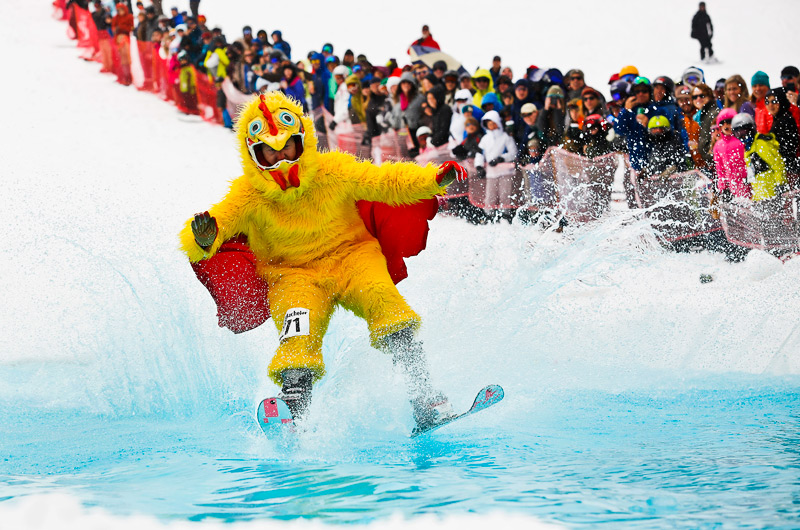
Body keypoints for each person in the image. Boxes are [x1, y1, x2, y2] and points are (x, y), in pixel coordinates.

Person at [181, 91, 469, 429]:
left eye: (287, 145)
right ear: (253, 154)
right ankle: (293, 406)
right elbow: (218, 223)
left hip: (352, 256)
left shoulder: (333, 171)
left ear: (302, 139)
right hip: (293, 275)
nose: (281, 156)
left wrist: (431, 180)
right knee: (297, 329)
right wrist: (203, 237)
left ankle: (424, 395)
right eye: (269, 151)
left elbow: (384, 182)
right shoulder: (249, 193)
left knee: (386, 303)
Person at [474, 110, 518, 221]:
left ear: (498, 122)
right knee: (490, 195)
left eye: (493, 122)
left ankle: (505, 215)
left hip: (505, 171)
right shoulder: (485, 139)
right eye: (489, 123)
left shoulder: (506, 137)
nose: (491, 125)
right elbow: (479, 153)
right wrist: (479, 167)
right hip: (491, 172)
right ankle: (488, 215)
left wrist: (501, 158)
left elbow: (513, 152)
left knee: (505, 194)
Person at [731, 113, 786, 201]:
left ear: (751, 128)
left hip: (772, 194)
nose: (742, 135)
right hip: (760, 195)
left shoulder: (761, 143)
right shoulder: (748, 148)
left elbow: (777, 164)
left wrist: (781, 185)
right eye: (738, 133)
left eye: (744, 131)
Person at [713, 108, 749, 199]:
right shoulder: (718, 145)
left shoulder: (742, 141)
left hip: (745, 183)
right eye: (722, 123)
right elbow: (720, 169)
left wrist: (748, 179)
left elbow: (748, 162)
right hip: (731, 186)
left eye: (728, 122)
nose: (725, 125)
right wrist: (723, 187)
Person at [765, 88, 800, 174]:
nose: (770, 105)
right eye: (767, 102)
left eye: (774, 101)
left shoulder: (785, 120)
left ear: (781, 101)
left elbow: (787, 150)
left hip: (790, 170)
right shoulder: (778, 119)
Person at [676, 86, 704, 168]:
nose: (685, 103)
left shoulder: (700, 115)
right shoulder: (681, 119)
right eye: (681, 100)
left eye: (687, 99)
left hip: (705, 162)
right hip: (691, 163)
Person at [692, 83, 719, 170]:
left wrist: (711, 156)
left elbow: (718, 139)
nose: (698, 99)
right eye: (695, 97)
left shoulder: (713, 113)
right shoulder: (701, 116)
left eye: (702, 95)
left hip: (716, 162)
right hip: (711, 162)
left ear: (709, 96)